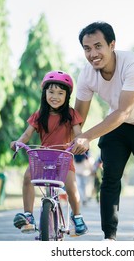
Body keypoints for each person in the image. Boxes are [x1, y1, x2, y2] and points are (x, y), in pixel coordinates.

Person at [71, 22, 134, 241]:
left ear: (112, 45)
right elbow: (78, 119)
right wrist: (68, 138)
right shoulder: (86, 75)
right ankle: (109, 237)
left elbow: (124, 111)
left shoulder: (133, 64)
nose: (93, 54)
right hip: (118, 125)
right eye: (87, 49)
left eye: (98, 46)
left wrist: (86, 137)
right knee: (110, 177)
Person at [10, 70, 88, 236]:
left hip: (64, 158)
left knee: (72, 187)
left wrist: (81, 140)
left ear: (67, 96)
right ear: (44, 93)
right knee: (27, 177)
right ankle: (29, 216)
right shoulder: (39, 115)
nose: (55, 96)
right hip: (43, 158)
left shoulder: (71, 114)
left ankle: (78, 216)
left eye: (60, 93)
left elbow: (78, 132)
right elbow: (27, 134)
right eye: (51, 92)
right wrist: (18, 142)